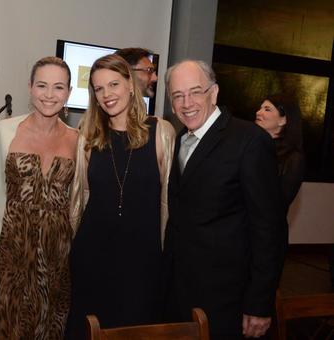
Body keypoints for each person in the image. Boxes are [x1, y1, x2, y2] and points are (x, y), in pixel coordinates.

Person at [162, 59, 287, 339]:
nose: (187, 102)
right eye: (178, 96)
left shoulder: (250, 141)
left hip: (227, 302)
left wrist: (260, 303)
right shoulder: (180, 140)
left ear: (214, 93)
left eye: (195, 92)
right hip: (180, 295)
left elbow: (270, 229)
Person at [65, 54, 175, 339]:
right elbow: (80, 198)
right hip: (93, 259)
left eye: (113, 84)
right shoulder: (87, 137)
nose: (106, 94)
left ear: (130, 84)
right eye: (98, 89)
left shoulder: (161, 132)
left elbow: (169, 202)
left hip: (144, 261)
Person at [0, 56, 78, 339]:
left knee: (49, 328)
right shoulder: (4, 131)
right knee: (4, 326)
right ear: (30, 87)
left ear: (68, 92)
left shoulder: (78, 140)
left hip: (57, 257)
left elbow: (78, 204)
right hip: (10, 251)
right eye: (42, 85)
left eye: (58, 87)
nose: (49, 95)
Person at [255, 95, 305, 211]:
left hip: (267, 226)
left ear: (283, 120)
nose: (258, 112)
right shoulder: (253, 146)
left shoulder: (294, 158)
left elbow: (279, 203)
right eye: (260, 108)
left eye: (267, 109)